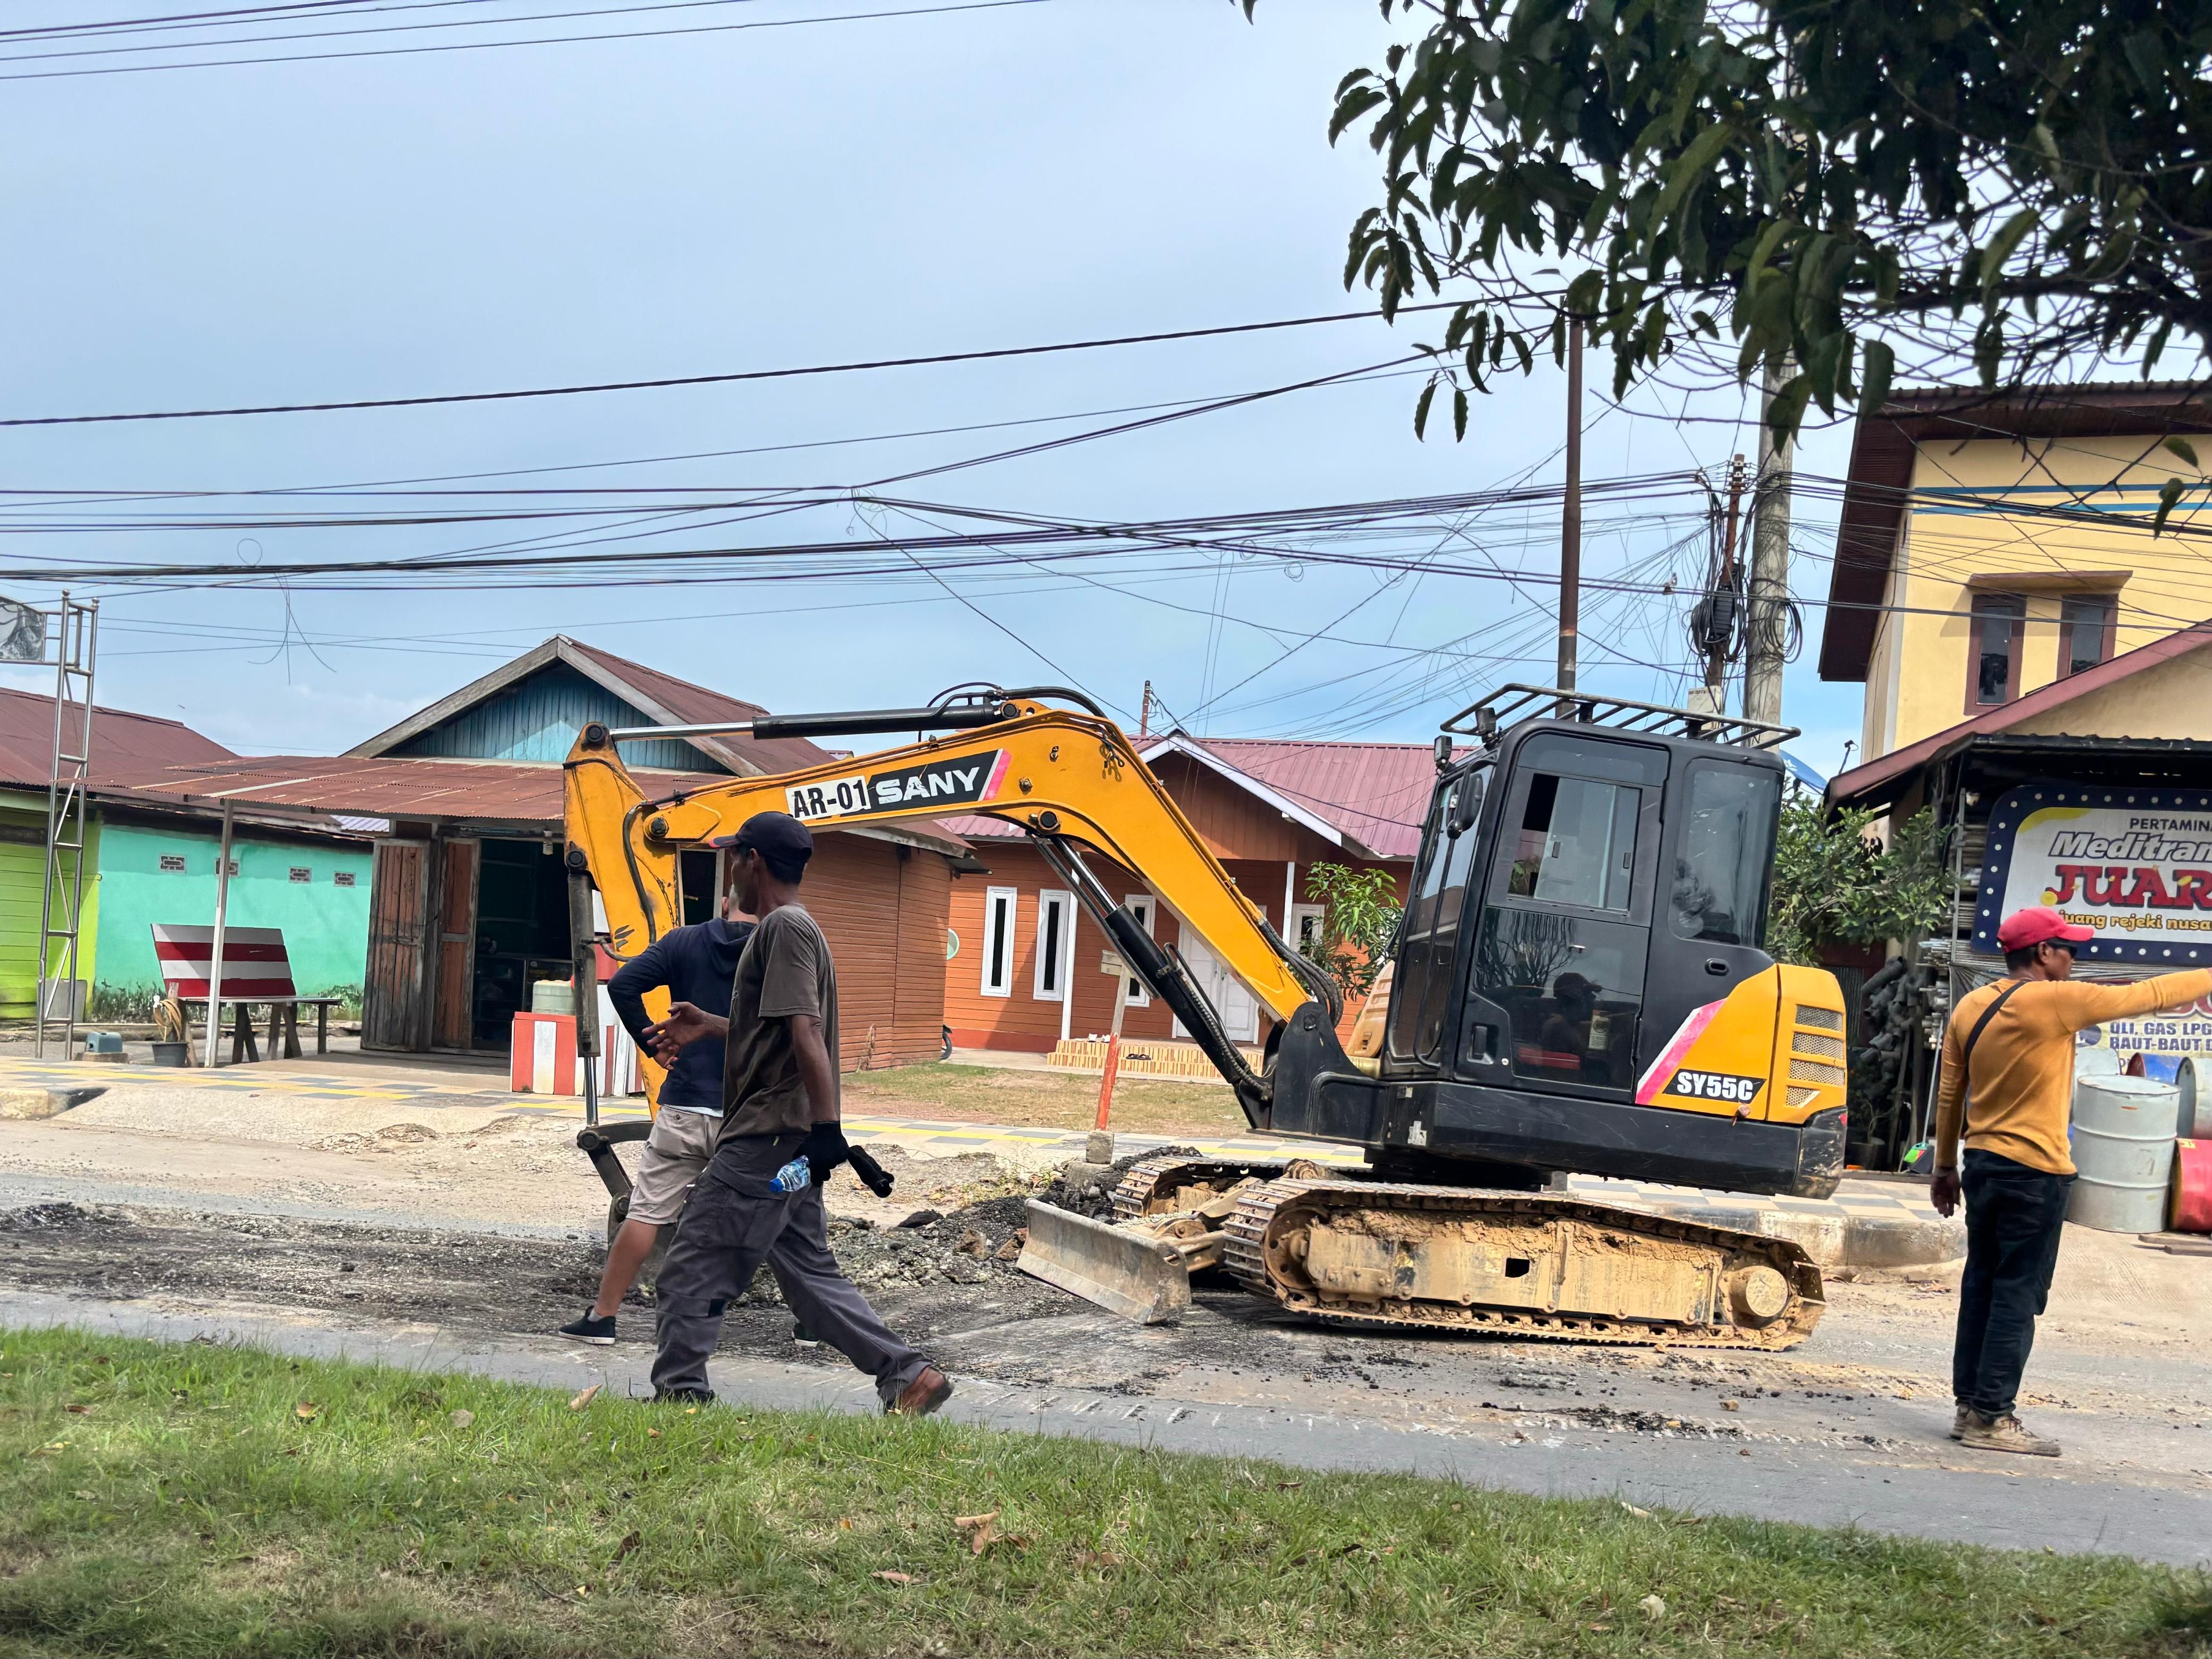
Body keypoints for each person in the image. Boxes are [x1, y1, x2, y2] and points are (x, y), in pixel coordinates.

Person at [642, 810, 952, 1416]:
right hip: (788, 1140)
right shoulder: (795, 927)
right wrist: (710, 1027)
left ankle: (680, 1398)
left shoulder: (783, 927)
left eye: (735, 857)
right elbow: (781, 1033)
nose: (731, 868)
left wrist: (827, 1131)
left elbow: (806, 1029)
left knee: (691, 1266)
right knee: (809, 1279)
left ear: (753, 861)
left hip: (766, 1138)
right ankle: (909, 1376)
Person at [1931, 904, 2210, 1457]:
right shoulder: (2053, 1003)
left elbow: (1948, 1091)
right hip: (2034, 1173)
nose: (2074, 961)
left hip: (1981, 1163)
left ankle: (1969, 1407)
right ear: (2042, 954)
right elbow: (2148, 996)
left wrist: (1942, 1167)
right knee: (2016, 1294)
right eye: (2069, 950)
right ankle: (1992, 1416)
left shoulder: (1970, 1006)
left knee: (1981, 1286)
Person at [558, 870, 755, 1345]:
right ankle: (811, 1321)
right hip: (751, 1112)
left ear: (725, 903)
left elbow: (624, 985)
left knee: (646, 1213)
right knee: (780, 1216)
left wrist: (654, 1043)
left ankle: (603, 1317)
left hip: (684, 1107)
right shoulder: (779, 949)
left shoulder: (684, 942)